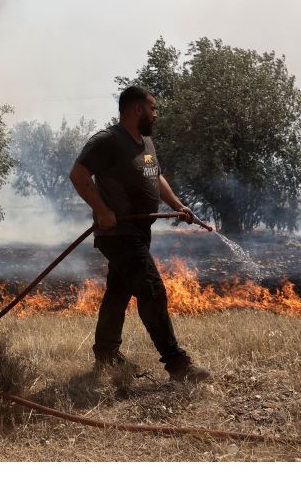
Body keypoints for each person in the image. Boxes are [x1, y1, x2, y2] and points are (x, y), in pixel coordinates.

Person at [69, 85, 211, 383]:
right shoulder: (108, 141)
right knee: (152, 291)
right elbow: (79, 175)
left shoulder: (145, 144)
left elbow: (154, 177)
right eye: (153, 108)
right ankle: (177, 365)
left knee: (118, 293)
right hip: (119, 233)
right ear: (137, 110)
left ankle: (106, 355)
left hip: (139, 230)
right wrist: (102, 210)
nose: (156, 114)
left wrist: (178, 205)